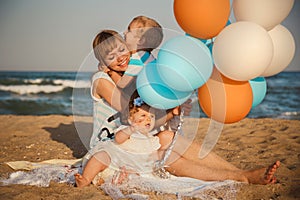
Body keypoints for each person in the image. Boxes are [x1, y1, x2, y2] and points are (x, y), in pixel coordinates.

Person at [84, 17, 280, 188]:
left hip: (133, 139)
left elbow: (145, 120)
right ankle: (239, 177)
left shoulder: (131, 74)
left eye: (121, 49)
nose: (120, 57)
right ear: (102, 62)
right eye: (111, 56)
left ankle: (240, 171)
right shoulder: (102, 79)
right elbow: (129, 114)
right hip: (110, 147)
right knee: (167, 158)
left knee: (168, 136)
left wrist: (172, 108)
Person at [75, 92, 163, 188]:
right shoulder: (127, 130)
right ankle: (85, 179)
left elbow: (153, 157)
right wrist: (131, 129)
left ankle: (118, 181)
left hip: (130, 167)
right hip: (113, 161)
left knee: (135, 174)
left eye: (152, 116)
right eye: (143, 116)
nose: (148, 119)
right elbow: (118, 139)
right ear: (130, 120)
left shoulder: (151, 139)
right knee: (101, 156)